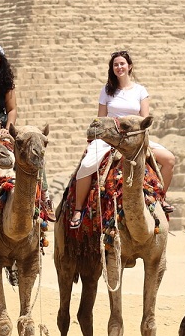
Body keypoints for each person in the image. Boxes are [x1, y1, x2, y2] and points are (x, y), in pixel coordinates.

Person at [68, 49, 175, 228]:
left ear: (129, 66)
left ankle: (160, 197)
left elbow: (144, 120)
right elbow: (101, 119)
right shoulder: (107, 91)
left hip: (134, 137)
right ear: (112, 68)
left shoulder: (140, 90)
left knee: (169, 159)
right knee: (86, 166)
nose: (119, 67)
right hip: (110, 138)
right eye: (115, 65)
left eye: (122, 64)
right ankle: (78, 209)